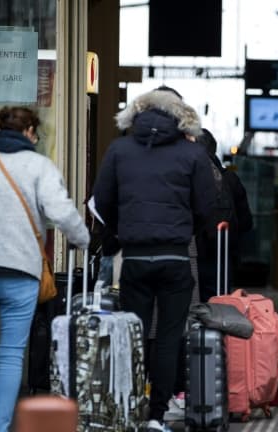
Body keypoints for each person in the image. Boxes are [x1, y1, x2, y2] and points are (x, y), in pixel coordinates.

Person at [0, 106, 90, 432]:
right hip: (20, 273)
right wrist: (83, 240)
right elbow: (63, 213)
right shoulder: (39, 166)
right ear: (29, 132)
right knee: (11, 356)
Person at [92, 88, 216, 432]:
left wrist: (120, 232)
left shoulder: (119, 150)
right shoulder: (192, 154)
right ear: (179, 117)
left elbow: (101, 200)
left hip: (135, 256)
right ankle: (157, 416)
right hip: (175, 255)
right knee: (169, 336)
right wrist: (190, 229)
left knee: (135, 333)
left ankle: (131, 407)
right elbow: (207, 205)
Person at [194, 128, 253, 300]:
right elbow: (246, 222)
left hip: (191, 251)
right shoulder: (230, 178)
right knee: (219, 301)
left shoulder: (185, 175)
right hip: (222, 252)